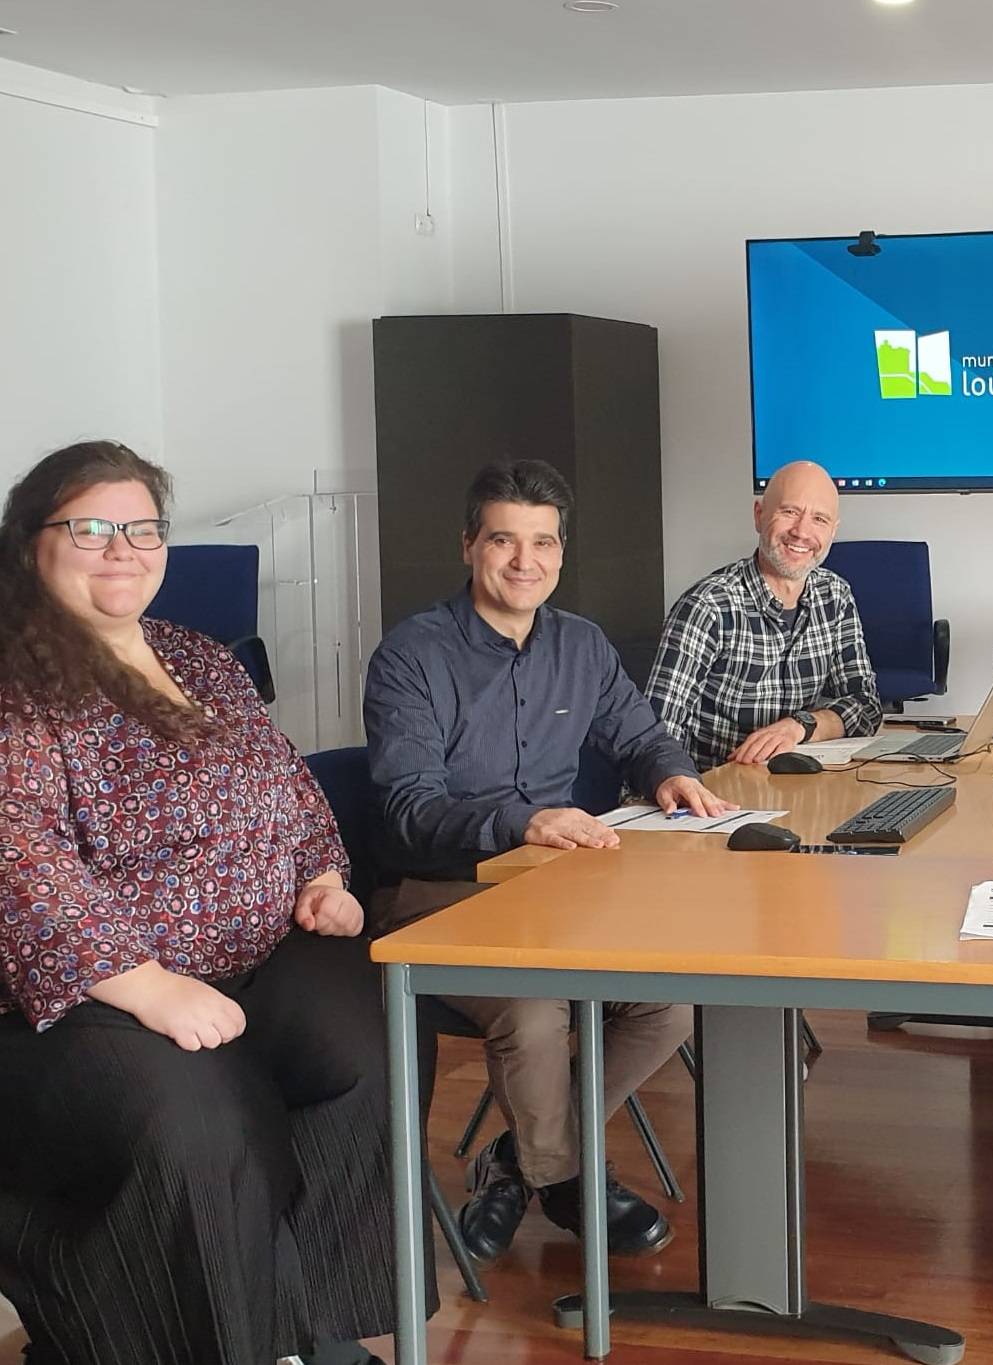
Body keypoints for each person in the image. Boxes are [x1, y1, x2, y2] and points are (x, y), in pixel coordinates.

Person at [0, 441, 409, 1365]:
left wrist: (322, 877)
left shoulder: (196, 655)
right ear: (33, 543)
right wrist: (141, 981)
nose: (123, 549)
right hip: (77, 997)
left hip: (253, 956)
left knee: (363, 1040)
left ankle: (315, 1327)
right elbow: (14, 850)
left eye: (143, 528)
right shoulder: (17, 679)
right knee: (198, 1112)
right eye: (92, 528)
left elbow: (283, 782)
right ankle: (232, 1346)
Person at [363, 458, 730, 1264]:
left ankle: (518, 1161)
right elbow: (408, 807)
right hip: (436, 895)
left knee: (666, 1002)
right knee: (533, 1015)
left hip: (555, 893)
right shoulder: (412, 656)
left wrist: (673, 774)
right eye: (504, 540)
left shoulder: (581, 643)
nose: (525, 561)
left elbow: (640, 735)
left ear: (561, 553)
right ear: (468, 546)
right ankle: (567, 1180)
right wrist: (521, 821)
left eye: (543, 542)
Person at [646, 460, 882, 770]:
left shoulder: (835, 595)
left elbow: (866, 705)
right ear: (759, 516)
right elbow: (655, 736)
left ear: (833, 531)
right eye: (790, 512)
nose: (802, 532)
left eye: (819, 519)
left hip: (800, 786)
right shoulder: (709, 606)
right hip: (719, 793)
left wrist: (799, 726)